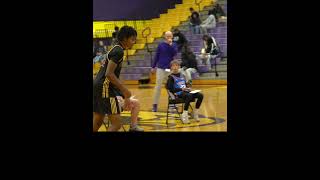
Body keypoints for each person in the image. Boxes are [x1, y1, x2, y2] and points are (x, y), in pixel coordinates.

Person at [93, 26, 144, 132]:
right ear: (125, 39)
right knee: (116, 124)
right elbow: (109, 74)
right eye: (132, 39)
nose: (134, 42)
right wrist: (124, 90)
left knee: (98, 121)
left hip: (97, 86)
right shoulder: (119, 51)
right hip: (105, 88)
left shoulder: (114, 48)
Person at [151, 31, 178, 112]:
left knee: (171, 86)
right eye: (167, 36)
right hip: (160, 68)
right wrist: (153, 66)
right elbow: (157, 56)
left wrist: (170, 45)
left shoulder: (174, 45)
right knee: (158, 86)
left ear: (172, 36)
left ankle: (173, 104)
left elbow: (175, 53)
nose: (169, 37)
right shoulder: (160, 45)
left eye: (170, 36)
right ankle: (155, 105)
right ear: (165, 37)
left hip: (169, 69)